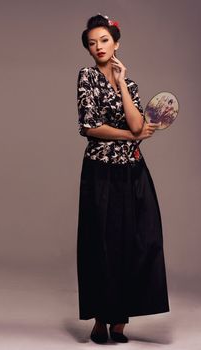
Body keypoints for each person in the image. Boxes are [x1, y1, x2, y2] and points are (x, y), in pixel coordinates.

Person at [76, 14, 170, 344]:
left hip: (132, 172)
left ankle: (120, 322)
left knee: (135, 242)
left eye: (103, 40)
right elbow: (90, 127)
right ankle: (101, 319)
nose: (98, 47)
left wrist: (123, 79)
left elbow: (135, 123)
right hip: (100, 173)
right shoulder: (86, 77)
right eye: (92, 43)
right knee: (100, 244)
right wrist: (130, 137)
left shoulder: (128, 83)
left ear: (116, 43)